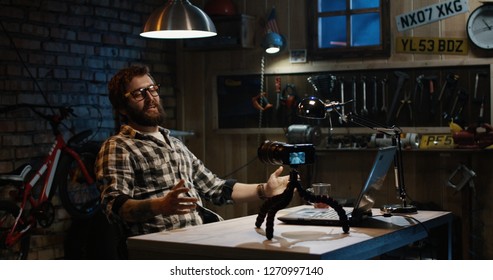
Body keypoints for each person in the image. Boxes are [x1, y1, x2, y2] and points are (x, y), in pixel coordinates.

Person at [95, 65, 288, 242]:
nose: (150, 97)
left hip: (197, 240)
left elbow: (216, 188)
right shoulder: (118, 146)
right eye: (139, 93)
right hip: (158, 249)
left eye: (152, 89)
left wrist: (265, 190)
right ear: (121, 107)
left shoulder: (175, 144)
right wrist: (160, 205)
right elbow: (114, 207)